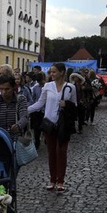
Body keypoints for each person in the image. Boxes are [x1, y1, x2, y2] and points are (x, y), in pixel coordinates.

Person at [28, 63, 77, 192]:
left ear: (62, 72)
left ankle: (60, 181)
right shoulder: (47, 86)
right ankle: (52, 179)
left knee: (61, 152)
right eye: (50, 72)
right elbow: (39, 103)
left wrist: (66, 104)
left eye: (54, 72)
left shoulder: (70, 87)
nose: (51, 74)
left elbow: (75, 106)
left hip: (63, 125)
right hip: (49, 124)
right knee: (51, 153)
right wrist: (25, 110)